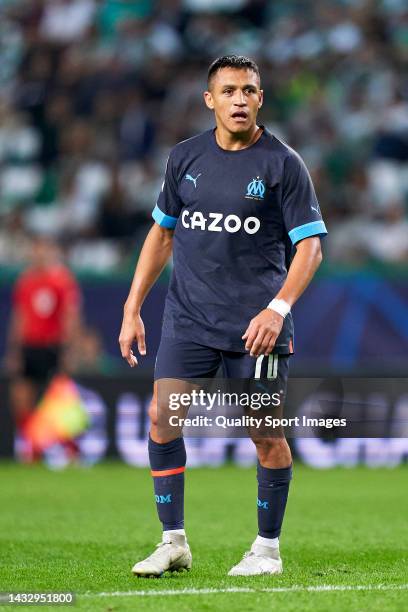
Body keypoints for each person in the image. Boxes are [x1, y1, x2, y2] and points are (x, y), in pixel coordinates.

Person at [119, 55, 327, 577]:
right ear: (209, 99)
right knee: (162, 420)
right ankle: (173, 542)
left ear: (261, 99)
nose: (240, 99)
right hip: (188, 319)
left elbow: (310, 249)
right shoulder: (184, 158)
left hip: (256, 330)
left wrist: (277, 310)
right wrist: (132, 307)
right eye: (229, 90)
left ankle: (266, 550)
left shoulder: (283, 164)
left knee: (265, 435)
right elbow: (162, 234)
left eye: (250, 91)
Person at [5, 235, 81, 461]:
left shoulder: (62, 280)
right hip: (30, 346)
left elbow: (70, 316)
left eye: (42, 250)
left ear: (50, 252)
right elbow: (20, 317)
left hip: (52, 347)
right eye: (35, 250)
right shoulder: (25, 281)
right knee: (20, 398)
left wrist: (69, 349)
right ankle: (33, 449)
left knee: (59, 402)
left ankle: (71, 449)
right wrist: (14, 351)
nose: (38, 255)